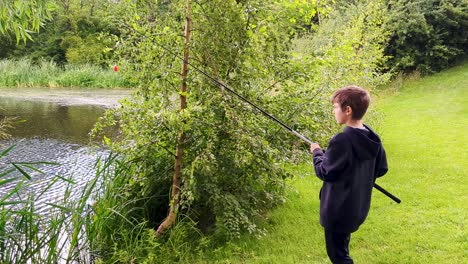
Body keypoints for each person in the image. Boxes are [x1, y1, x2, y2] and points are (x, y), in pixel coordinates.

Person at [310, 85, 388, 264]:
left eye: (335, 107)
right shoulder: (371, 137)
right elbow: (381, 168)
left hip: (337, 210)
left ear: (348, 110)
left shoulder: (341, 140)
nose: (333, 111)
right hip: (356, 207)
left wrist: (316, 153)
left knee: (338, 256)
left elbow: (324, 171)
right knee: (341, 248)